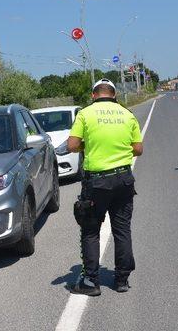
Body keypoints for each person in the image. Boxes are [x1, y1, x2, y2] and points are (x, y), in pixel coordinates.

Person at [66, 78, 143, 296]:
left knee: (90, 231)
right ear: (114, 95)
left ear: (93, 95)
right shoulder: (127, 115)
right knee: (122, 229)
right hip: (124, 180)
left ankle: (90, 281)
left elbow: (72, 146)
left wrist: (88, 143)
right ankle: (121, 280)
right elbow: (138, 149)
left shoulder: (85, 114)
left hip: (97, 183)